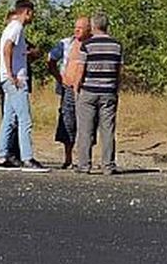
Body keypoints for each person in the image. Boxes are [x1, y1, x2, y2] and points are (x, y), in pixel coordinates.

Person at [0, 0, 49, 173]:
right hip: (16, 80)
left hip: (9, 79)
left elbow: (14, 49)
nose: (32, 17)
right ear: (26, 12)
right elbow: (8, 48)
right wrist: (11, 73)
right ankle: (27, 158)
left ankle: (1, 156)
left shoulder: (11, 27)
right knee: (25, 120)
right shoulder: (17, 27)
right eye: (32, 13)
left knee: (9, 120)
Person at [72, 12, 123, 175]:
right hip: (109, 91)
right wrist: (116, 88)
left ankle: (84, 165)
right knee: (107, 129)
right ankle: (108, 165)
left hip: (89, 91)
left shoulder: (86, 46)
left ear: (93, 26)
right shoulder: (117, 45)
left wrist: (76, 87)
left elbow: (81, 70)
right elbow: (119, 71)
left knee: (85, 129)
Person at [47, 17, 91, 169]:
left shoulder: (92, 44)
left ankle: (84, 159)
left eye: (81, 27)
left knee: (86, 123)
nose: (77, 30)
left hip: (86, 90)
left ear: (89, 29)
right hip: (68, 89)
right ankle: (68, 158)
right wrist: (59, 78)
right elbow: (50, 58)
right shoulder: (66, 43)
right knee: (67, 121)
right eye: (75, 27)